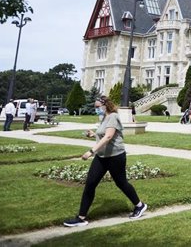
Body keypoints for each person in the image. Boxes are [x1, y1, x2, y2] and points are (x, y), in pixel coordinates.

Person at [63, 95, 147, 227]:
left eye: (97, 107)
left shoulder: (113, 116)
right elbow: (103, 135)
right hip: (101, 157)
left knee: (121, 183)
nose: (96, 109)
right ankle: (81, 217)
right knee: (90, 184)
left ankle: (140, 206)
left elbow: (108, 136)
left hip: (115, 156)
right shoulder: (104, 118)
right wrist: (93, 134)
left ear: (105, 105)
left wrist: (91, 151)